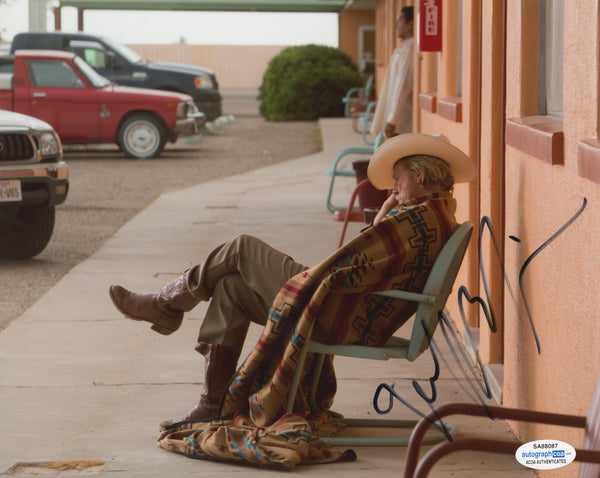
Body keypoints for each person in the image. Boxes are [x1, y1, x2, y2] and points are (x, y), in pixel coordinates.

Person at [109, 133, 476, 468]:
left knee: (241, 248)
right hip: (346, 307)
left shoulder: (414, 220)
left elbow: (349, 259)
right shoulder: (431, 215)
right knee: (232, 289)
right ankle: (212, 402)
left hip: (334, 310)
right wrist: (385, 211)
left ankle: (167, 303)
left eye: (399, 178)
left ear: (422, 178)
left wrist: (314, 271)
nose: (394, 187)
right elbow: (368, 255)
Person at [370, 6, 414, 138]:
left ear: (410, 24)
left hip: (402, 121)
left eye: (400, 20)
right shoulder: (403, 48)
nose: (396, 25)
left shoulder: (410, 49)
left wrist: (392, 119)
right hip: (396, 117)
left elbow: (402, 86)